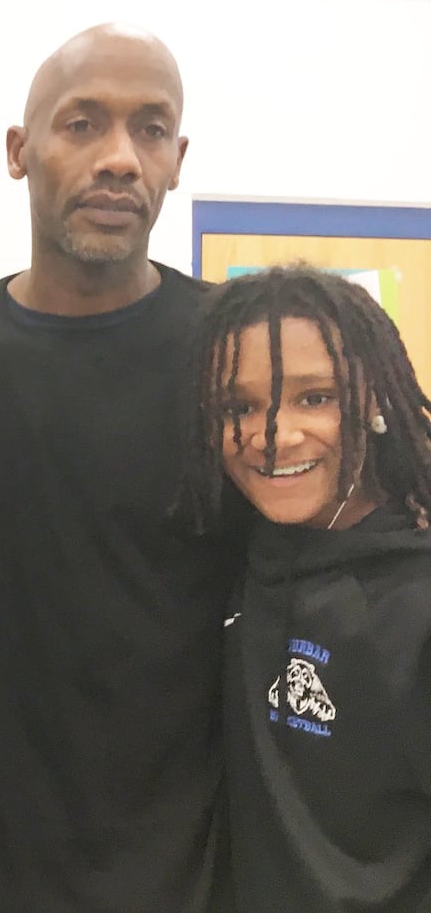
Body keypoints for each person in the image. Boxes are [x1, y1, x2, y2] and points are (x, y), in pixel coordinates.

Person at [0, 24, 247, 912]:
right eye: (83, 124)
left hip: (204, 871)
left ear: (179, 159)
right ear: (18, 151)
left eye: (150, 129)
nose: (120, 158)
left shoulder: (242, 353)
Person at [178, 266, 431, 912]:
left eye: (314, 397)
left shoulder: (414, 598)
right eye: (239, 407)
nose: (275, 437)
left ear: (372, 398)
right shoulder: (235, 551)